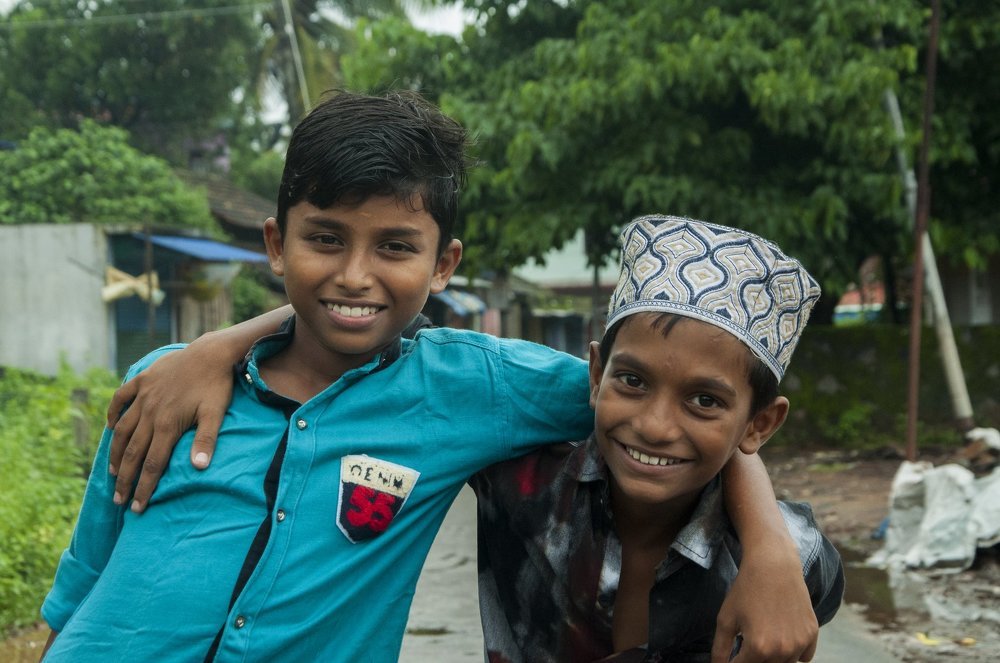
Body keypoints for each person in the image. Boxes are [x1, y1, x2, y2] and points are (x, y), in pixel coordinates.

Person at [44, 91, 819, 662]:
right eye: (325, 238)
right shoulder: (165, 385)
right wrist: (214, 348)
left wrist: (772, 550)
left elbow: (658, 405)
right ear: (276, 244)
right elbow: (81, 582)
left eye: (394, 246)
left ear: (444, 263)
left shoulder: (468, 388)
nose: (355, 274)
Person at [472, 215, 844, 662]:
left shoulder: (797, 559)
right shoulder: (522, 482)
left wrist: (772, 553)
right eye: (632, 380)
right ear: (597, 374)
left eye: (704, 400)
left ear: (759, 425)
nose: (654, 427)